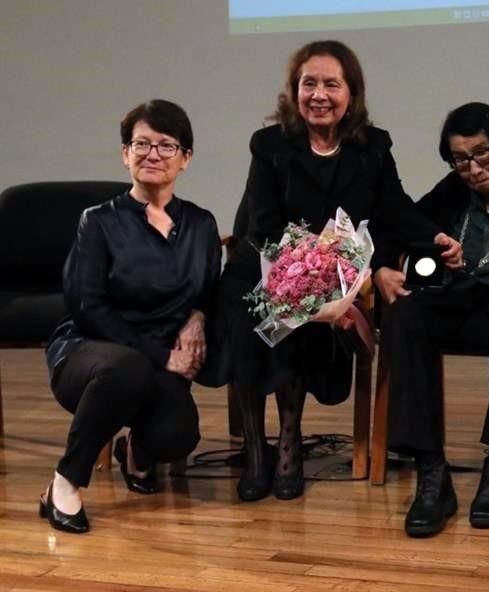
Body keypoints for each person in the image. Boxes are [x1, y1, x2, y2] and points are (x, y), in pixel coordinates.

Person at [216, 40, 461, 502]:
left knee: (306, 309)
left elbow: (394, 208)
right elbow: (262, 223)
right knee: (244, 302)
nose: (319, 94)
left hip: (333, 275)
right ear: (294, 90)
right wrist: (305, 266)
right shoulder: (269, 144)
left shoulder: (372, 146)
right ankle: (254, 446)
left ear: (352, 93)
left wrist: (434, 238)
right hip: (269, 260)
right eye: (309, 83)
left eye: (332, 84)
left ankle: (289, 439)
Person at [375, 102, 489, 538]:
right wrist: (384, 265)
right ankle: (431, 472)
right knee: (404, 313)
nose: (473, 168)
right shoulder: (453, 189)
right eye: (460, 160)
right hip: (465, 300)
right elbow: (398, 225)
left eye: (483, 154)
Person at [41, 100, 221, 533]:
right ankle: (65, 482)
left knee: (177, 437)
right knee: (127, 368)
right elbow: (87, 308)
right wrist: (162, 356)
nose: (153, 154)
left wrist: (197, 317)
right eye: (141, 144)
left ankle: (136, 452)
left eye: (166, 145)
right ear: (125, 154)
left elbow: (211, 291)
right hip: (92, 355)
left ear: (186, 158)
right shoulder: (98, 221)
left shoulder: (200, 224)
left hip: (159, 363)